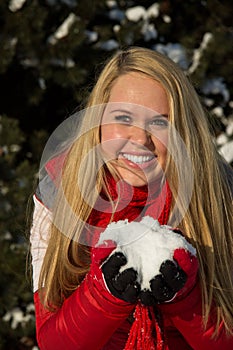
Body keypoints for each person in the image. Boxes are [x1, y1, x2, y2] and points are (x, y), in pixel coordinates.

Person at [30, 46, 233, 350]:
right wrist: (104, 295)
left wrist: (186, 299)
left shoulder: (220, 194)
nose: (139, 139)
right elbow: (53, 342)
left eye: (160, 122)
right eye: (123, 117)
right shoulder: (59, 190)